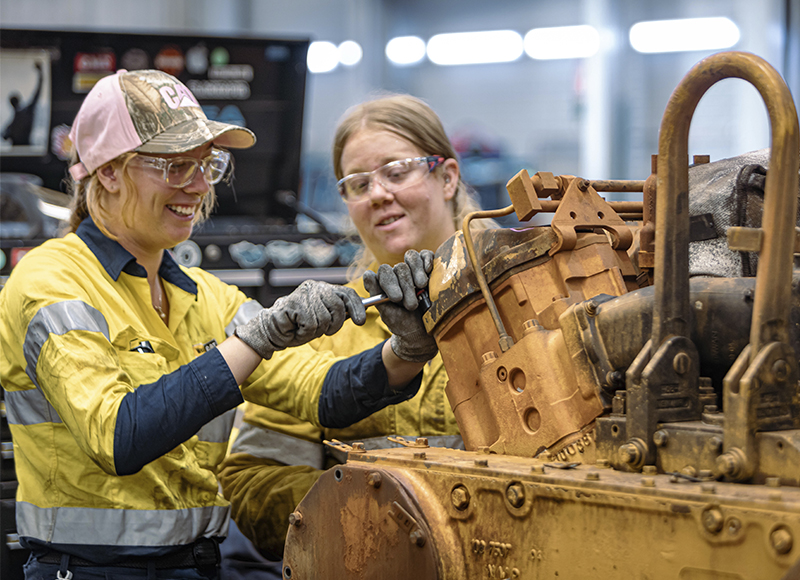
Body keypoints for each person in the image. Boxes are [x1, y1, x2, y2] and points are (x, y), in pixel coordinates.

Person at [0, 72, 434, 580]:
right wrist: (256, 339)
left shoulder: (204, 294)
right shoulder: (50, 280)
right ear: (109, 172)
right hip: (88, 570)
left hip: (198, 565)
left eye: (206, 164)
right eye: (176, 164)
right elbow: (120, 435)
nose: (201, 185)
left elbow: (320, 393)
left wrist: (405, 351)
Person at [217, 94, 493, 574]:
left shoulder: (515, 306)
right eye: (358, 183)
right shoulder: (328, 328)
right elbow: (252, 479)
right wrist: (367, 514)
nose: (378, 194)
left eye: (397, 171)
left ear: (447, 177)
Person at [2, 61, 44, 146]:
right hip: (19, 151)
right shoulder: (15, 120)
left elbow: (37, 93)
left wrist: (40, 73)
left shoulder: (24, 113)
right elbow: (4, 136)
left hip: (25, 149)